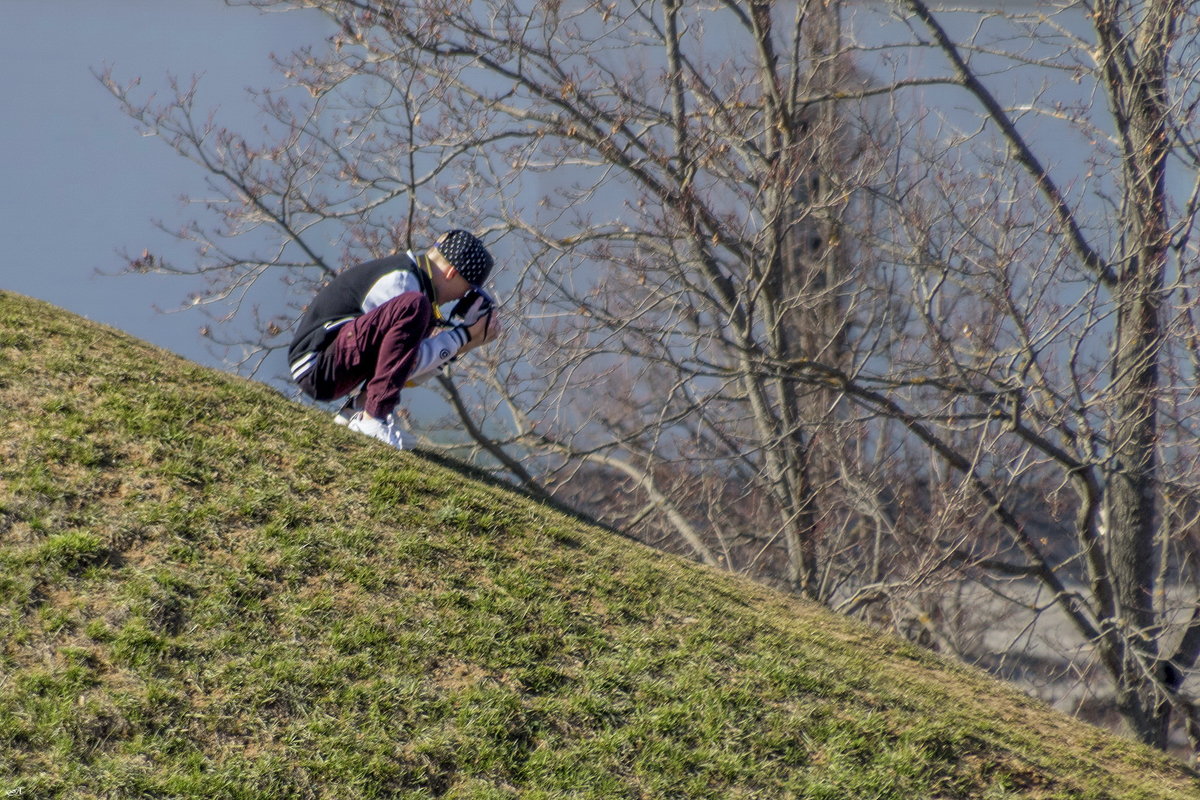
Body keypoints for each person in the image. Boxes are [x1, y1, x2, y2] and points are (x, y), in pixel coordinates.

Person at [288, 229, 502, 449]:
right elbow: (403, 359)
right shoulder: (402, 280)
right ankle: (372, 419)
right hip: (317, 365)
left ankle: (358, 410)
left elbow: (402, 366)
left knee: (420, 312)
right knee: (414, 307)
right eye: (468, 289)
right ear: (451, 273)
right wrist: (462, 337)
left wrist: (465, 342)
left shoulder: (417, 287)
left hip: (334, 362)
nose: (461, 297)